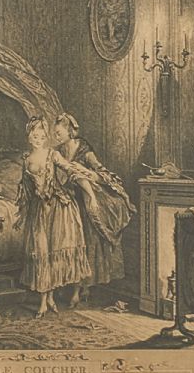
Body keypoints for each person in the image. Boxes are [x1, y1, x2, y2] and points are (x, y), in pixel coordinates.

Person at [52, 112, 136, 307]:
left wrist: (88, 173)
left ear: (70, 131)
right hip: (69, 199)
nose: (55, 137)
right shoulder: (57, 152)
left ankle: (81, 290)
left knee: (87, 242)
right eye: (54, 133)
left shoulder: (84, 149)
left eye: (58, 133)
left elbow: (102, 173)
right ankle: (68, 285)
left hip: (88, 199)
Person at [15, 117, 93, 318]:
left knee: (55, 252)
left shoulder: (53, 154)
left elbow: (72, 170)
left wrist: (90, 192)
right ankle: (44, 301)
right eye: (35, 136)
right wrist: (22, 215)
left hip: (60, 207)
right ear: (29, 136)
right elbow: (26, 191)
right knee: (42, 253)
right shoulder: (26, 160)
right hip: (39, 211)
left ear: (46, 137)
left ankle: (51, 298)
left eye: (42, 136)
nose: (38, 139)